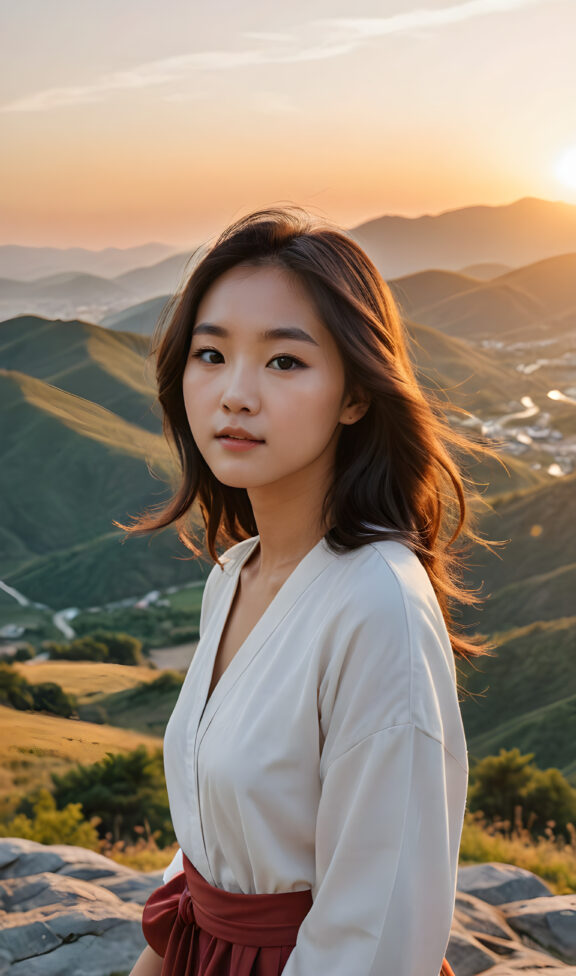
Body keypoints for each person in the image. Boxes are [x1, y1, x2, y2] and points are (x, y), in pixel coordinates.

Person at [123, 207, 497, 976]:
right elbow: (218, 840)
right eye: (211, 354)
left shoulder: (377, 605)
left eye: (284, 362)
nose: (235, 394)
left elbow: (379, 927)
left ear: (356, 395)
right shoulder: (236, 576)